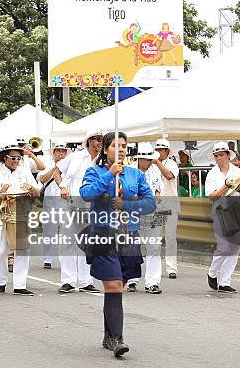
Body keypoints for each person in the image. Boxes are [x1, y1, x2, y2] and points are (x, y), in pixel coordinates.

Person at [80, 131, 156, 358]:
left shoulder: (135, 175)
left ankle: (108, 334)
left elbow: (150, 203)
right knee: (113, 286)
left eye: (124, 146)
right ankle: (118, 339)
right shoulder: (95, 172)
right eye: (115, 145)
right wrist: (108, 176)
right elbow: (86, 194)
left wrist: (127, 205)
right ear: (105, 149)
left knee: (118, 287)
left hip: (128, 235)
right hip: (104, 235)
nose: (121, 149)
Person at [0, 142, 40, 296]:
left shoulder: (25, 172)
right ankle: (1, 282)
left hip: (21, 213)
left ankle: (19, 285)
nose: (16, 161)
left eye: (18, 158)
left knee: (23, 249)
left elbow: (36, 193)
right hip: (2, 215)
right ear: (4, 157)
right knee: (1, 249)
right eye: (12, 158)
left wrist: (32, 188)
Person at [57, 129, 104, 294]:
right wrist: (62, 187)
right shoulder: (76, 156)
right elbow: (57, 170)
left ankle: (85, 281)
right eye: (97, 139)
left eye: (101, 139)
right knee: (68, 241)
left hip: (93, 205)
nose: (100, 142)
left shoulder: (102, 159)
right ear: (90, 140)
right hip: (73, 203)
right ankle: (68, 280)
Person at [205, 142, 240, 294]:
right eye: (216, 156)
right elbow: (211, 196)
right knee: (223, 246)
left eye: (221, 155)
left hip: (235, 211)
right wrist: (225, 186)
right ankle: (212, 272)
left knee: (235, 247)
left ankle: (225, 282)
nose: (219, 158)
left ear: (228, 155)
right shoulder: (212, 174)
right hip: (219, 211)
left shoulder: (238, 171)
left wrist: (238, 187)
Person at [128, 142, 164, 294]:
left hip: (151, 214)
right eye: (148, 160)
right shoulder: (129, 172)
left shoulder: (154, 171)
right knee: (132, 248)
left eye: (151, 159)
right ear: (140, 159)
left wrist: (156, 195)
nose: (150, 162)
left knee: (154, 248)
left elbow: (158, 189)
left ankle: (152, 282)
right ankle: (131, 279)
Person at [38, 141, 69, 270]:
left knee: (65, 232)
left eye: (63, 151)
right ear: (54, 152)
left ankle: (65, 260)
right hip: (50, 202)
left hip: (65, 201)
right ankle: (47, 259)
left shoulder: (70, 165)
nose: (61, 153)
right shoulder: (47, 164)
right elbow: (42, 179)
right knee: (49, 231)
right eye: (58, 151)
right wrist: (55, 168)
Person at [153, 138, 180, 279]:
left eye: (161, 149)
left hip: (170, 204)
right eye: (157, 149)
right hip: (155, 205)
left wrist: (157, 163)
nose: (158, 152)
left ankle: (171, 268)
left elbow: (169, 176)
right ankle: (155, 267)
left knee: (170, 237)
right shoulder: (150, 166)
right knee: (155, 238)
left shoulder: (172, 164)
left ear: (167, 151)